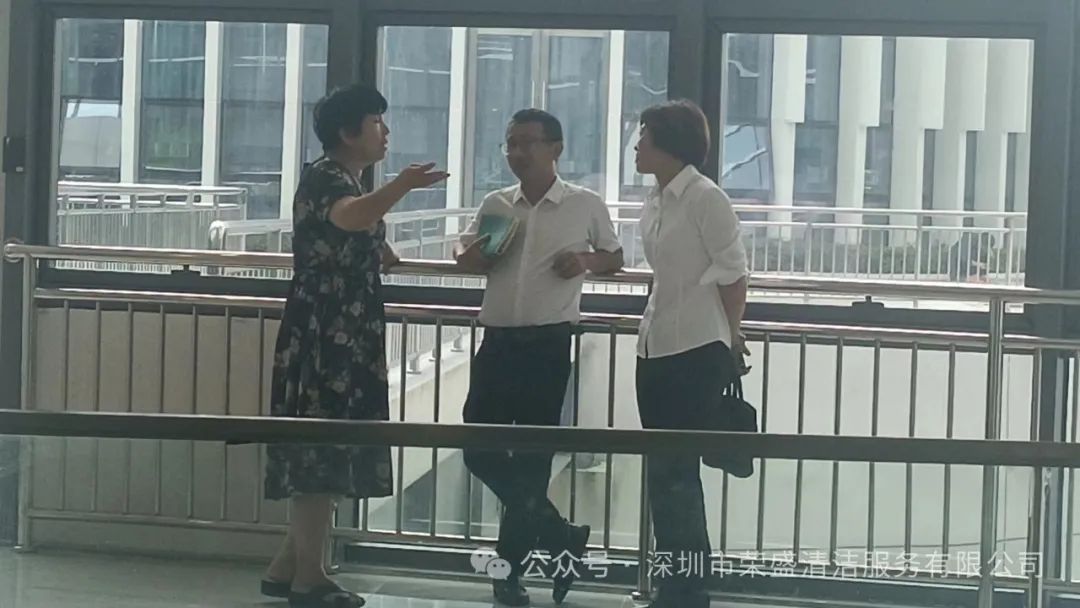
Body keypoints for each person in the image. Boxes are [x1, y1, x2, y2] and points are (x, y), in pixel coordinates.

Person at [261, 83, 448, 608]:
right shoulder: (328, 176)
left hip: (343, 327)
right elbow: (348, 217)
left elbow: (353, 230)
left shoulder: (344, 180)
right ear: (348, 132)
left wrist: (382, 247)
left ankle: (286, 568)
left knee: (327, 450)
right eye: (376, 123)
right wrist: (402, 187)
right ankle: (310, 578)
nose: (385, 132)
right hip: (327, 333)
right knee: (321, 453)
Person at [454, 108, 624, 606]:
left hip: (547, 346)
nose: (517, 153)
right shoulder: (497, 203)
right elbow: (468, 257)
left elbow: (614, 257)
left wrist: (586, 261)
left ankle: (507, 576)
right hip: (497, 343)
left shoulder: (583, 204)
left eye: (527, 142)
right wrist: (474, 256)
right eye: (510, 143)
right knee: (478, 449)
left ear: (556, 148)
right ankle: (560, 535)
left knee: (531, 462)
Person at [633, 100, 749, 608]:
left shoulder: (705, 198)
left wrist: (732, 334)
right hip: (654, 344)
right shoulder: (656, 199)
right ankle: (677, 583)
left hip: (696, 347)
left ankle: (687, 587)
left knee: (677, 471)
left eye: (644, 136)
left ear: (670, 143)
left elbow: (733, 273)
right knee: (663, 470)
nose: (637, 146)